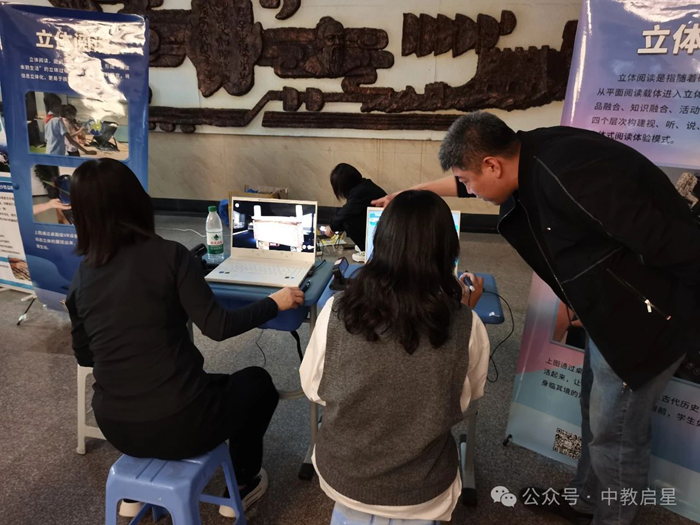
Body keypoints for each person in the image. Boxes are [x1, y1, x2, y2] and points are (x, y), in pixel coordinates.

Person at [374, 112, 700, 525]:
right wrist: (411, 193)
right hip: (608, 313)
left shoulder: (571, 176)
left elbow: (673, 243)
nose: (469, 191)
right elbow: (466, 179)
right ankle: (587, 502)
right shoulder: (523, 153)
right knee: (596, 417)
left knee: (616, 436)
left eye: (470, 181)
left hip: (642, 321)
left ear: (492, 165)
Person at [65, 159, 304, 517]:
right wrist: (275, 302)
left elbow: (86, 356)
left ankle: (137, 489)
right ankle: (243, 482)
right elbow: (218, 327)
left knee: (196, 386)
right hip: (183, 422)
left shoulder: (81, 279)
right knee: (257, 383)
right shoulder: (169, 255)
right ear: (137, 201)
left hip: (116, 428)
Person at [301, 190, 489, 524]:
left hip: (342, 476)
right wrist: (463, 313)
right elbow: (464, 400)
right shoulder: (467, 325)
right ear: (449, 250)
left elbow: (314, 388)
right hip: (423, 490)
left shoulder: (337, 310)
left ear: (381, 243)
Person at [321, 163, 386, 255]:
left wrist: (331, 227)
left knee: (348, 222)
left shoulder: (360, 193)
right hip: (384, 225)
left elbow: (346, 212)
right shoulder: (364, 186)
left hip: (383, 230)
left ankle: (366, 249)